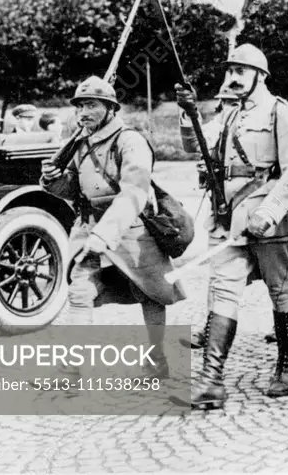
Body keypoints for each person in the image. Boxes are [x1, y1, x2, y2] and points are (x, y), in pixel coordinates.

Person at [175, 43, 288, 408]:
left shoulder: (280, 112)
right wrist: (188, 113)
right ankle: (211, 379)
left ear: (260, 76)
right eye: (230, 70)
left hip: (268, 220)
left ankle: (286, 365)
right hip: (228, 217)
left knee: (280, 292)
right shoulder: (229, 114)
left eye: (241, 71)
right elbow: (194, 147)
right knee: (223, 291)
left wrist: (267, 214)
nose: (232, 78)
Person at [40, 76, 184, 377]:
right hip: (89, 225)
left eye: (91, 105)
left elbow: (134, 191)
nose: (83, 113)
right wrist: (54, 180)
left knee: (152, 294)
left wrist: (104, 235)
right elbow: (77, 189)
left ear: (109, 108)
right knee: (79, 292)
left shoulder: (129, 141)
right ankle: (69, 372)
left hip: (130, 228)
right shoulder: (80, 141)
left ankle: (157, 361)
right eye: (79, 106)